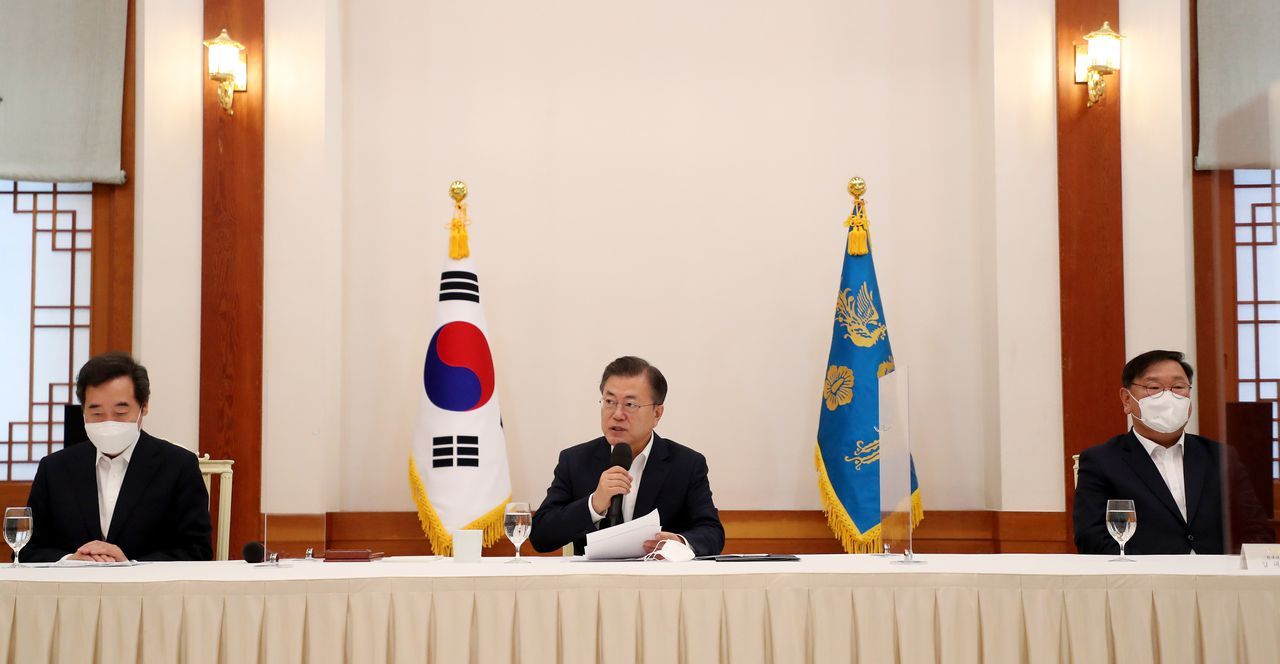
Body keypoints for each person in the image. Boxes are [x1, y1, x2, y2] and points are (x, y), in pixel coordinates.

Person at [1073, 350, 1273, 555]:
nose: (1167, 396)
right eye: (1154, 387)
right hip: (1145, 582)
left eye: (1178, 387)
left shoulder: (1221, 457)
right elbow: (1091, 539)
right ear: (1126, 399)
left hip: (1218, 579)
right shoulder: (1102, 461)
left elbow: (1256, 529)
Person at [21, 352, 213, 562]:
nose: (108, 422)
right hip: (72, 591)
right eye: (96, 413)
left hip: (147, 592)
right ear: (83, 411)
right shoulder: (54, 468)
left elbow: (197, 552)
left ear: (144, 407)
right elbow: (26, 550)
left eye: (121, 412)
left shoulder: (178, 466)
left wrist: (129, 564)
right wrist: (69, 561)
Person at [530, 356, 725, 556]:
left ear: (657, 413)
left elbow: (712, 533)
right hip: (593, 584)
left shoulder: (686, 464)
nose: (617, 414)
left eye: (630, 405)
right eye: (609, 401)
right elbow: (540, 536)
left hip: (659, 582)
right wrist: (594, 504)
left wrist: (679, 542)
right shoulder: (575, 461)